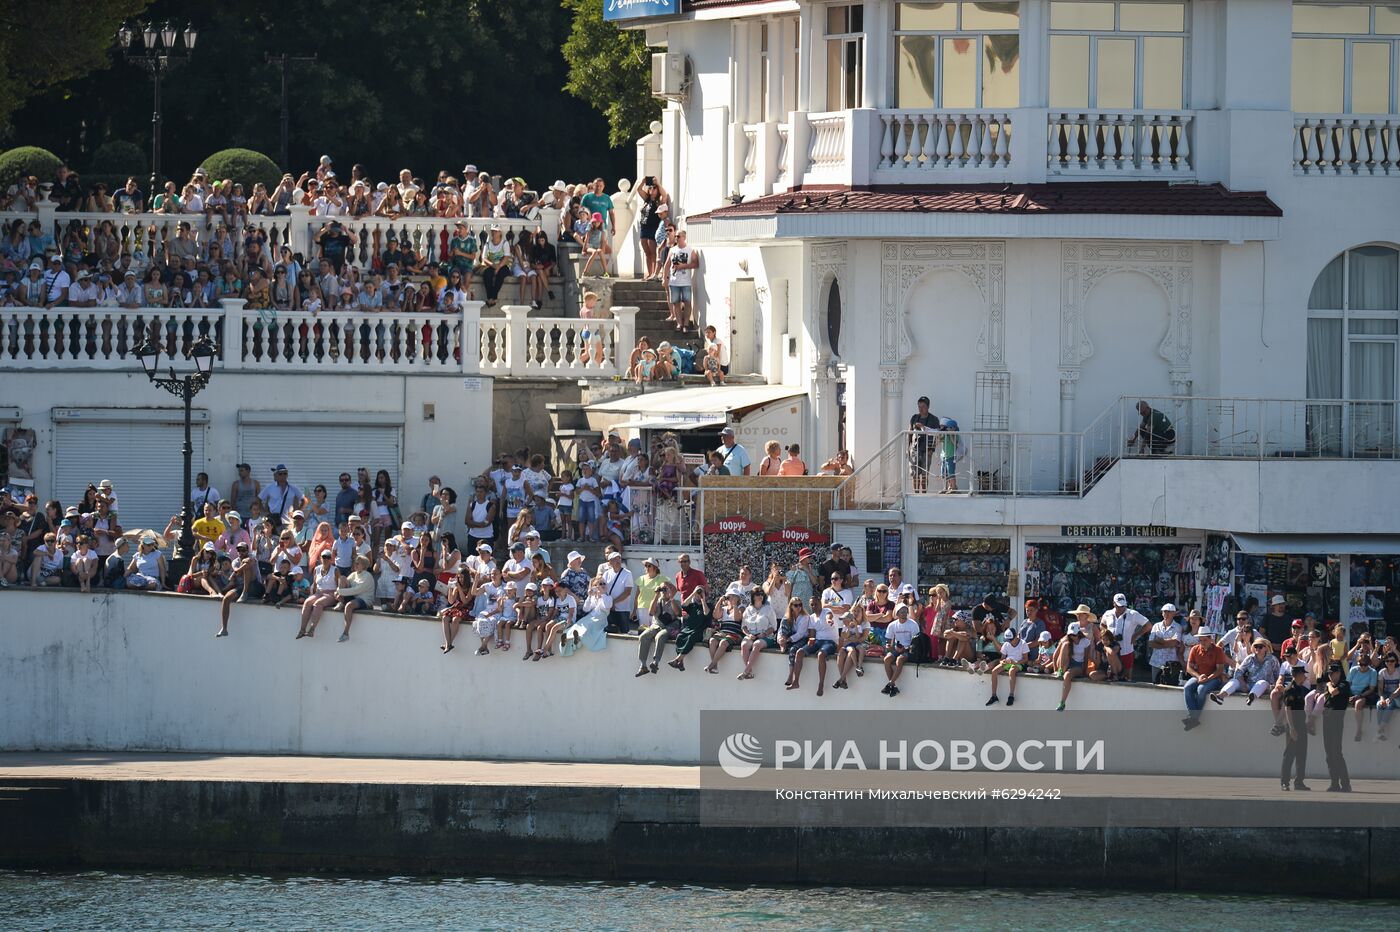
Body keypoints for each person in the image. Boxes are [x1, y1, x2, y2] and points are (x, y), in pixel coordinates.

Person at [1181, 627, 1230, 730]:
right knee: (1187, 688)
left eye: (1205, 640)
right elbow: (1188, 668)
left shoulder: (1218, 650)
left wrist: (1208, 678)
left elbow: (1219, 670)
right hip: (1200, 676)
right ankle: (1194, 717)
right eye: (1200, 640)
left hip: (1214, 678)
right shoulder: (1195, 649)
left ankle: (1193, 718)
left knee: (1201, 689)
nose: (1202, 642)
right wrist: (1199, 677)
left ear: (1211, 639)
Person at [1278, 649, 1311, 791]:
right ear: (1298, 675)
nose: (1305, 676)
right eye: (1303, 674)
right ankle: (1285, 782)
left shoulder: (1302, 689)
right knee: (1290, 754)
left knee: (1302, 754)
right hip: (1293, 724)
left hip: (1301, 723)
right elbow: (1288, 709)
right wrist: (1291, 728)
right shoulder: (1290, 689)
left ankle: (1299, 781)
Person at [1212, 638, 1280, 706]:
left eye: (1260, 646)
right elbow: (1239, 671)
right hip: (1249, 685)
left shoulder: (1272, 659)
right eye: (1256, 646)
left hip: (1266, 686)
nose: (1257, 648)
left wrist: (1275, 687)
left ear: (1266, 648)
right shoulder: (1249, 658)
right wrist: (1243, 683)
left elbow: (1278, 675)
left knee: (1261, 682)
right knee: (1234, 681)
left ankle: (1251, 698)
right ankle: (1220, 696)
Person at [1319, 661, 1353, 792]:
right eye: (1330, 674)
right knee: (1329, 755)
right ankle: (1334, 782)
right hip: (1327, 721)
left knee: (1337, 753)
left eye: (1334, 673)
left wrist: (1328, 685)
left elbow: (1333, 692)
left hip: (1337, 721)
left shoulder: (1344, 684)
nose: (1331, 676)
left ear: (1339, 673)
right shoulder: (1328, 685)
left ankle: (1345, 783)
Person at [1054, 608, 1096, 711]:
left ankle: (1062, 702)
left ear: (1079, 633)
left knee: (1067, 675)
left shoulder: (1085, 641)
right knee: (1065, 645)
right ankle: (1060, 670)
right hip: (1066, 663)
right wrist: (1055, 668)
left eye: (1074, 634)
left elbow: (1086, 658)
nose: (1073, 637)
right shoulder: (1067, 640)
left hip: (1078, 665)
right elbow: (1056, 655)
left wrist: (1084, 671)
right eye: (1071, 635)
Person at [1101, 593, 1149, 682]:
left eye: (1123, 606)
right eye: (1118, 606)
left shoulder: (1133, 614)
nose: (1121, 608)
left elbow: (1148, 625)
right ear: (1114, 604)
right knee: (1112, 677)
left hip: (1127, 651)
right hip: (1112, 651)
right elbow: (1102, 624)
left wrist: (1135, 636)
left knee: (1127, 679)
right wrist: (1106, 636)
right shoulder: (1108, 613)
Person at [662, 228, 699, 332]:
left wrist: (683, 266)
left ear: (684, 237)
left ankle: (686, 324)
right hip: (674, 282)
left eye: (678, 236)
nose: (676, 238)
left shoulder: (690, 250)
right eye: (676, 236)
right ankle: (679, 323)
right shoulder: (672, 250)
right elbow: (666, 265)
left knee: (687, 302)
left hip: (686, 282)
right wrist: (665, 279)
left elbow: (696, 264)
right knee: (676, 303)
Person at [737, 588, 778, 680]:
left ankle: (746, 671)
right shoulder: (748, 610)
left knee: (757, 644)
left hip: (766, 636)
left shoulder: (768, 609)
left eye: (761, 594)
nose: (760, 596)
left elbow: (773, 626)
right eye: (757, 594)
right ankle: (750, 672)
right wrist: (748, 635)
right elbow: (743, 626)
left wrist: (764, 634)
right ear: (753, 596)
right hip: (751, 635)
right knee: (744, 645)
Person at [881, 604, 921, 698]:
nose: (904, 613)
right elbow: (888, 641)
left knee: (900, 659)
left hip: (910, 650)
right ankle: (893, 687)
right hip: (897, 648)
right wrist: (889, 647)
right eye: (901, 611)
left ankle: (890, 684)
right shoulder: (892, 625)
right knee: (887, 659)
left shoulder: (913, 624)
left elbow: (916, 643)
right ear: (897, 613)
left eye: (905, 611)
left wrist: (905, 649)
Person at [987, 624, 1030, 707]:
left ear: (1016, 636)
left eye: (1011, 640)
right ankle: (994, 696)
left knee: (1012, 671)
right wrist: (1003, 662)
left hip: (1019, 663)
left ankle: (1011, 695)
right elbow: (1002, 658)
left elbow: (1025, 659)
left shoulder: (1023, 643)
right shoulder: (1006, 644)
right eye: (1008, 640)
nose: (1010, 642)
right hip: (1008, 662)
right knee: (994, 671)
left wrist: (1015, 662)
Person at [908, 396, 941, 493]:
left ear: (928, 406)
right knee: (915, 475)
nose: (920, 409)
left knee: (924, 474)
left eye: (923, 406)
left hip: (927, 451)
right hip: (915, 450)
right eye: (919, 406)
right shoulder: (914, 418)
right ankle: (916, 494)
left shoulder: (934, 419)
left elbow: (937, 435)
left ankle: (924, 495)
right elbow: (909, 433)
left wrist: (932, 449)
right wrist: (908, 448)